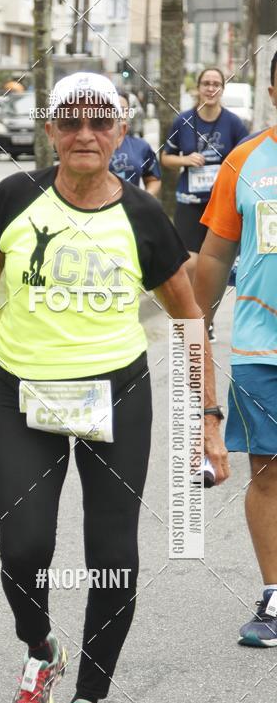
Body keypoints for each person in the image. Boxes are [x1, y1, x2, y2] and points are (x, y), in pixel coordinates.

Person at [0, 72, 228, 703]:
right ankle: (42, 650)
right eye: (71, 122)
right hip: (24, 393)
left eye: (101, 123)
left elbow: (188, 318)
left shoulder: (143, 215)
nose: (86, 135)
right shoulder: (15, 198)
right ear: (51, 131)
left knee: (114, 558)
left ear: (121, 133)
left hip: (116, 393)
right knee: (22, 552)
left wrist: (207, 418)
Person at [194, 50, 277, 648]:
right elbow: (217, 257)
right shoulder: (245, 162)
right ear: (273, 89)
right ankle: (275, 595)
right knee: (268, 475)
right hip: (259, 349)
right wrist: (193, 324)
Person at [160, 68, 248, 295]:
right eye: (206, 83)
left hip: (220, 203)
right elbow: (164, 158)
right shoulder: (183, 121)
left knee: (215, 265)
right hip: (189, 201)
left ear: (222, 89)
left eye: (216, 84)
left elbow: (246, 159)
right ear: (198, 89)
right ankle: (190, 315)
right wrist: (185, 159)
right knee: (188, 262)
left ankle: (205, 320)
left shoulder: (234, 123)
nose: (211, 88)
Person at [109, 93, 161, 196]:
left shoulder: (141, 146)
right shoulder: (91, 145)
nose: (118, 113)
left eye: (122, 109)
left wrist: (144, 199)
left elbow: (153, 180)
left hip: (131, 210)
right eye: (113, 108)